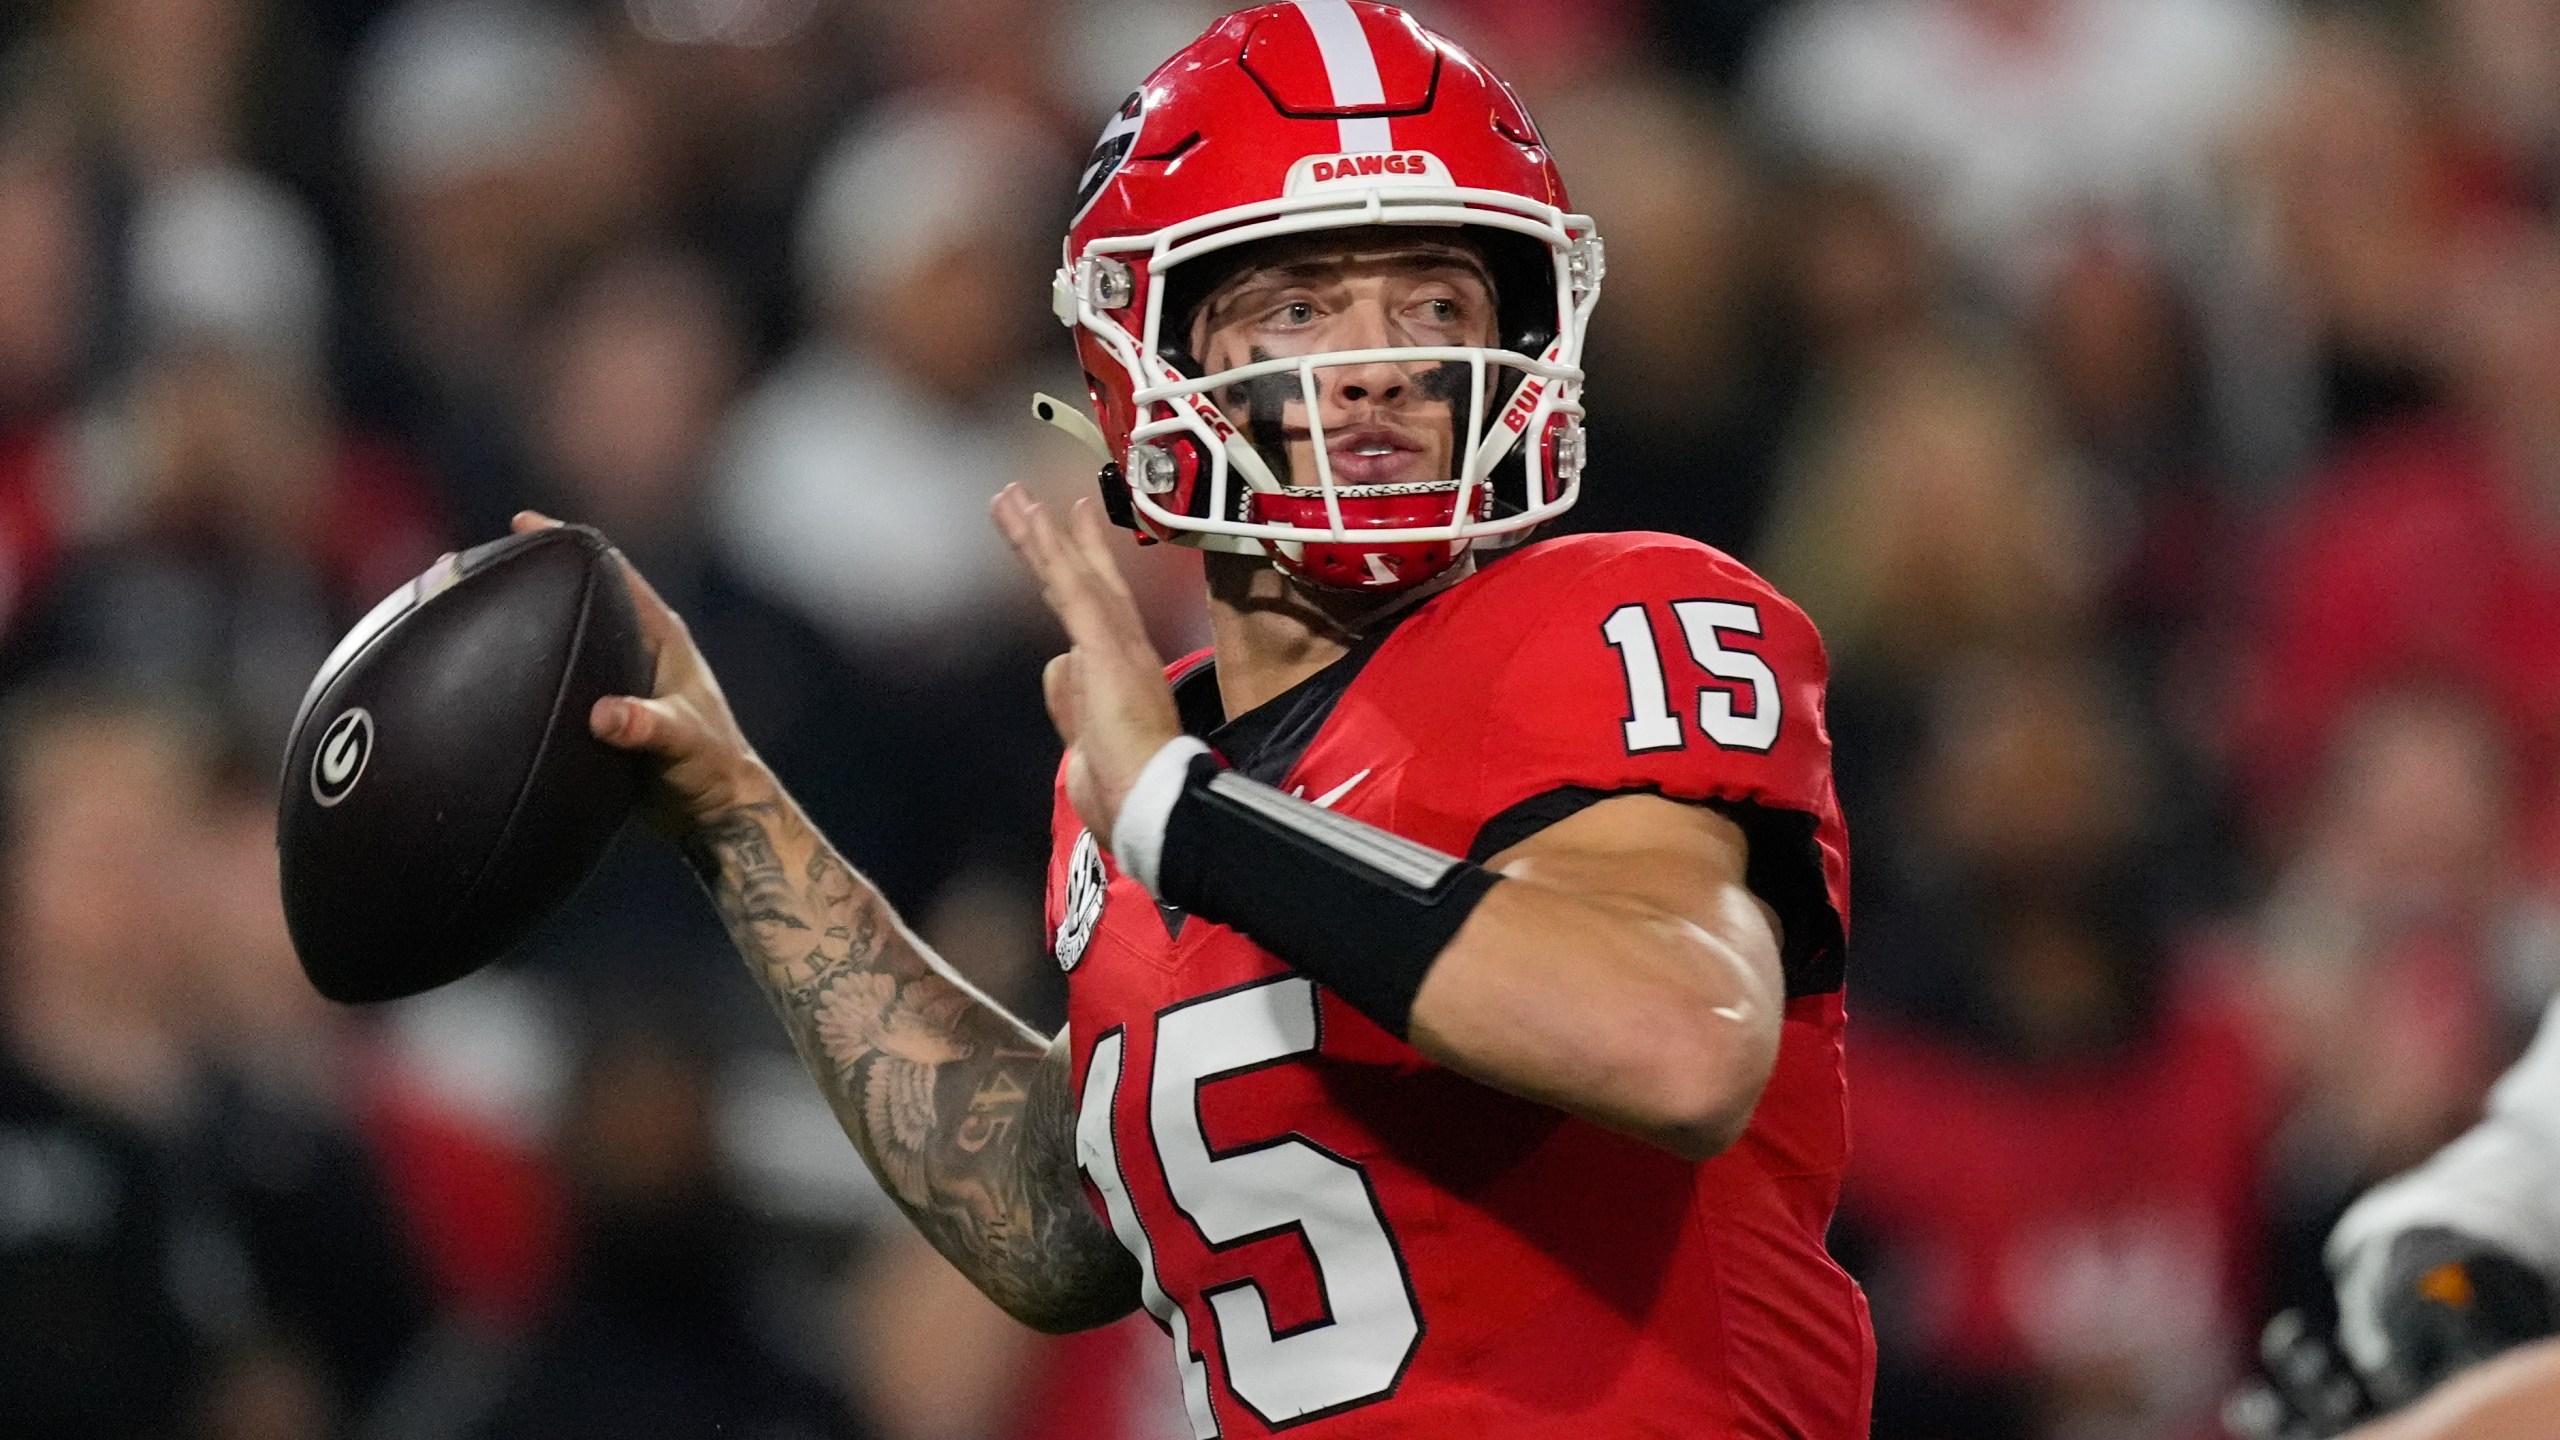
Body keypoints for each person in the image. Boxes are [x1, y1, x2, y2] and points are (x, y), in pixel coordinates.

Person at [529, 4, 1869, 1434]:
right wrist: (736, 815)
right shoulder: (1147, 770)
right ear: (1145, 354)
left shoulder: (1615, 616)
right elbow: (1056, 1219)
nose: (1381, 364)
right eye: (1299, 304)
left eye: (1435, 299)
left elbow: (1673, 1032)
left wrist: (1185, 810)